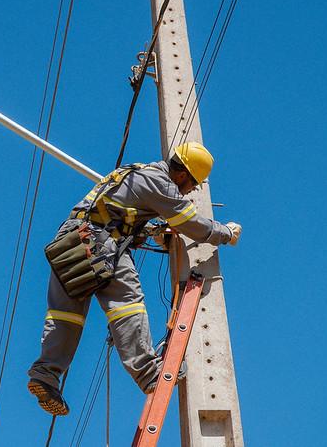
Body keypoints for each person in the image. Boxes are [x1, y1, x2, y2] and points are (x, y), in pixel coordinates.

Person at [27, 142, 242, 416]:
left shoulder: (138, 172)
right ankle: (149, 372)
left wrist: (146, 231)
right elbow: (189, 223)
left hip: (71, 240)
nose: (189, 191)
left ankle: (45, 375)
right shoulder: (159, 183)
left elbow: (119, 211)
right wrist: (225, 232)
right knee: (127, 303)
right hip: (100, 242)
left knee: (65, 315)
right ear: (183, 174)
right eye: (193, 185)